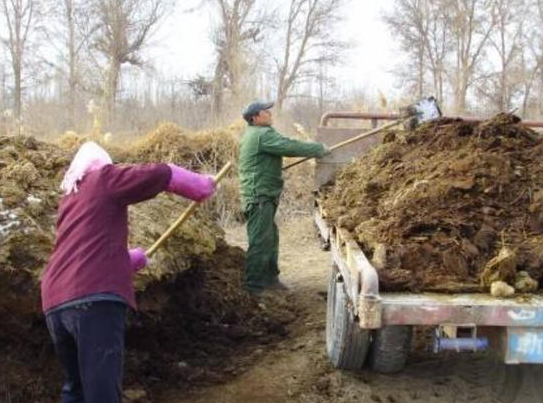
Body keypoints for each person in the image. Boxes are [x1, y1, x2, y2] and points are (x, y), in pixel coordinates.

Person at [40, 141, 216, 403]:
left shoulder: (70, 198)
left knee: (75, 389)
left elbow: (82, 249)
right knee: (102, 391)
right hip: (93, 300)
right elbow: (159, 173)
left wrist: (127, 260)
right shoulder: (103, 178)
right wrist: (198, 184)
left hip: (55, 302)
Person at [238, 101, 329, 294]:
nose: (270, 113)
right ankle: (253, 287)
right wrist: (318, 149)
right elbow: (289, 146)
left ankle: (270, 279)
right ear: (255, 117)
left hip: (264, 194)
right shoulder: (262, 135)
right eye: (266, 111)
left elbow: (278, 149)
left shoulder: (257, 134)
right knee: (260, 240)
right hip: (259, 196)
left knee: (270, 237)